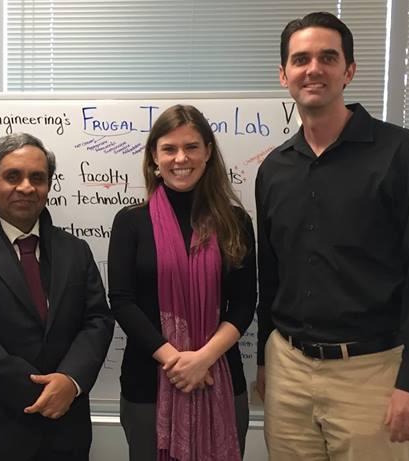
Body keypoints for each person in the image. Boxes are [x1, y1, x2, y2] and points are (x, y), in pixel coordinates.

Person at [255, 11, 409, 460]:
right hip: (289, 370)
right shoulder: (274, 169)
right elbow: (272, 275)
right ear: (283, 74)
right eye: (301, 59)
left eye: (328, 57)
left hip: (372, 373)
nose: (313, 69)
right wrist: (266, 362)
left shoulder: (405, 157)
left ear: (349, 71)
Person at [0, 132, 114, 461]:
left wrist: (70, 381)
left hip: (65, 426)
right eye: (13, 176)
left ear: (48, 185)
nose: (26, 187)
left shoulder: (76, 251)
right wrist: (43, 391)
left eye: (37, 178)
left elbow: (98, 321)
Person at [108, 104, 255, 461]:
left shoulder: (235, 222)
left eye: (191, 147)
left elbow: (244, 303)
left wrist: (203, 359)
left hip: (219, 374)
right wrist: (177, 362)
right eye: (169, 149)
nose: (180, 158)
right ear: (154, 157)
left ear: (208, 152)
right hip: (148, 383)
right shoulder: (130, 222)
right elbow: (123, 302)